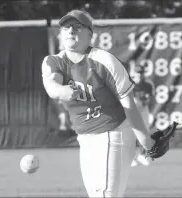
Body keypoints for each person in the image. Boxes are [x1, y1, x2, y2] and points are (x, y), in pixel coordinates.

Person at [42, 9, 155, 197]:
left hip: (114, 133)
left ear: (89, 35)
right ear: (60, 33)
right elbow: (51, 85)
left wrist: (146, 141)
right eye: (66, 27)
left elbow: (129, 105)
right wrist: (63, 91)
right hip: (85, 138)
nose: (70, 31)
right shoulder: (54, 61)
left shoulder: (105, 61)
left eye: (77, 27)